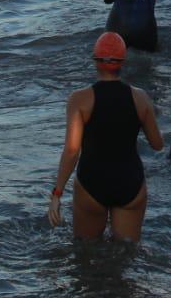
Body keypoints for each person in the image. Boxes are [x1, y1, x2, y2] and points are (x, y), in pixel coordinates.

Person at [47, 32, 164, 243]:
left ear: (96, 61)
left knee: (85, 255)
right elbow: (157, 144)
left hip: (92, 183)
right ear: (123, 62)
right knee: (126, 255)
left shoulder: (79, 99)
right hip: (130, 182)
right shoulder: (140, 97)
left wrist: (57, 193)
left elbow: (72, 151)